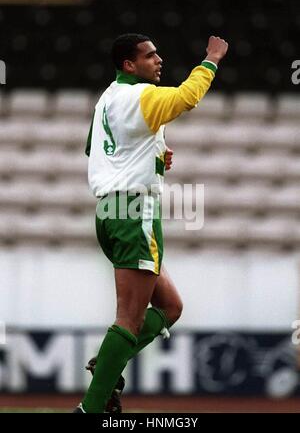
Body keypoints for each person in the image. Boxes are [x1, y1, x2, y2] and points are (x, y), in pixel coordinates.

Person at [74, 33, 228, 413]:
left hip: (109, 212)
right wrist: (211, 60)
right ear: (129, 64)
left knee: (171, 307)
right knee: (129, 318)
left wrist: (155, 156)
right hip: (134, 211)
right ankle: (91, 408)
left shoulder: (107, 98)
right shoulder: (139, 96)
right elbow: (186, 98)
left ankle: (106, 366)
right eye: (149, 55)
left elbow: (95, 148)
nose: (158, 60)